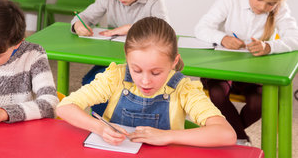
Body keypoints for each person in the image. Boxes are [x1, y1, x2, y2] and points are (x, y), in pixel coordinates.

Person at [57, 17, 236, 147]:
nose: (145, 81)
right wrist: (99, 128)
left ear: (174, 62)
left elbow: (226, 134)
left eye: (156, 72)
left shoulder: (183, 89)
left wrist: (169, 136)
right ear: (126, 58)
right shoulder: (115, 77)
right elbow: (64, 107)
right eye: (136, 70)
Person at [195, 0, 298, 144]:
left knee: (259, 103)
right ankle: (240, 140)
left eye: (270, 3)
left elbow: (295, 38)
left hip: (254, 73)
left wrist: (269, 47)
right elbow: (201, 28)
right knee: (217, 93)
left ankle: (231, 136)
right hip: (224, 68)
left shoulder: (280, 9)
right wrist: (223, 38)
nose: (262, 6)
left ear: (278, 1)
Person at [72, 0, 168, 115]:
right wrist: (78, 25)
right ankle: (101, 125)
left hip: (144, 64)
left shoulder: (154, 0)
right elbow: (84, 16)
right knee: (91, 82)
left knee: (126, 88)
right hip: (113, 59)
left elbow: (165, 31)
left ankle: (120, 122)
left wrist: (132, 29)